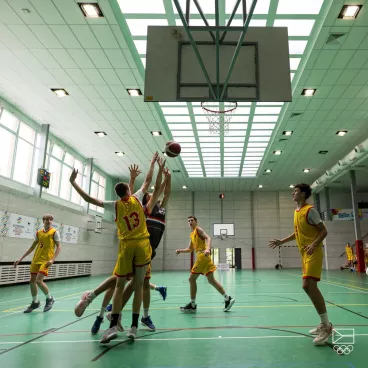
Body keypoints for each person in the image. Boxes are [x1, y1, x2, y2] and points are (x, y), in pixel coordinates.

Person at [70, 153, 158, 344]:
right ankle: (134, 325)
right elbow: (149, 180)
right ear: (129, 189)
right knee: (137, 285)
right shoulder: (136, 199)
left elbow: (88, 198)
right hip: (143, 244)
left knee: (119, 285)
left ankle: (110, 324)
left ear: (117, 193)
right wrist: (152, 162)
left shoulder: (114, 205)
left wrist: (73, 183)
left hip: (126, 246)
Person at [269, 183, 331, 345]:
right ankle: (324, 323)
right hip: (304, 254)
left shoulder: (310, 211)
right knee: (307, 286)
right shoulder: (297, 212)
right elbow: (297, 233)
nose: (293, 193)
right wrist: (281, 241)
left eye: (295, 191)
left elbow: (323, 231)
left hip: (313, 252)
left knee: (308, 285)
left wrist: (314, 244)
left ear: (303, 194)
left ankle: (326, 326)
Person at [176, 216, 235, 313]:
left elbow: (208, 238)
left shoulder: (198, 230)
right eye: (188, 221)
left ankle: (192, 304)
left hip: (203, 256)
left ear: (196, 221)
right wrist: (180, 251)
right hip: (204, 257)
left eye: (192, 220)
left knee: (191, 279)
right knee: (211, 281)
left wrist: (208, 249)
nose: (190, 222)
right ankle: (227, 298)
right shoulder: (192, 234)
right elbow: (190, 249)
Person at [14, 214, 61, 313]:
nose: (48, 221)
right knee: (32, 281)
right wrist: (20, 258)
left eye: (50, 220)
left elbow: (59, 247)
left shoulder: (54, 232)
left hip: (45, 260)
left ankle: (49, 298)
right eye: (46, 219)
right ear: (43, 221)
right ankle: (35, 302)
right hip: (36, 260)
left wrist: (53, 260)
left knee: (39, 281)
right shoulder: (38, 233)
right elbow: (32, 247)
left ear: (52, 221)